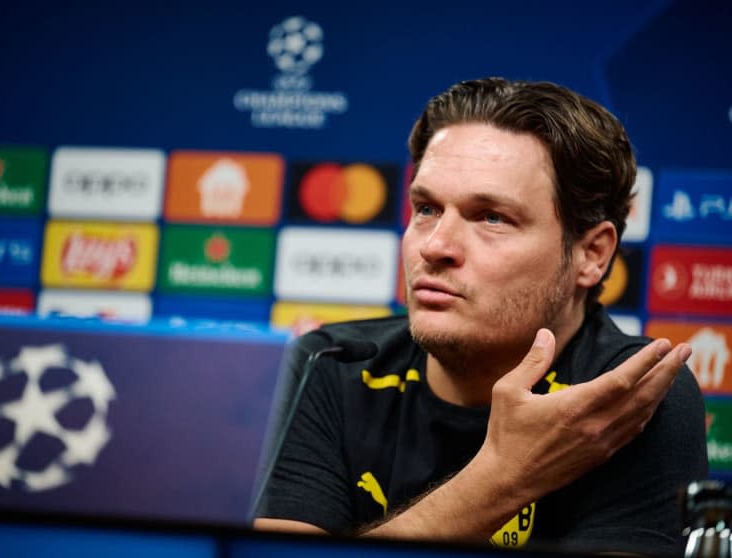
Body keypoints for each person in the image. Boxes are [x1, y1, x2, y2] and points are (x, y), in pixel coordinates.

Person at [252, 77, 708, 554]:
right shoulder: (329, 364)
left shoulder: (627, 394)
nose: (435, 246)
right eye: (426, 208)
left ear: (591, 254)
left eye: (491, 217)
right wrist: (503, 477)